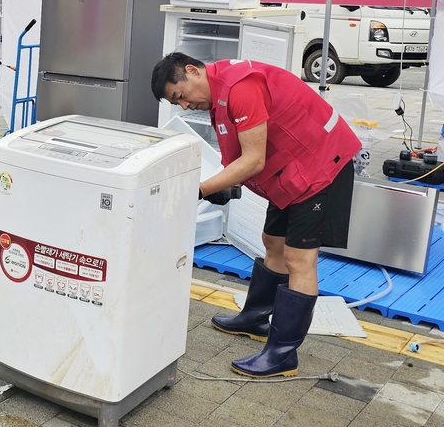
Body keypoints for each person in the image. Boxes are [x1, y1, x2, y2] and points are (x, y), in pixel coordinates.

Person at [151, 53, 360, 378]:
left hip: (320, 167)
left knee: (298, 259)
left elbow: (252, 160)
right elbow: (237, 156)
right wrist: (221, 183)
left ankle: (282, 355)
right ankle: (256, 317)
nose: (184, 106)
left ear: (192, 71)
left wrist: (200, 189)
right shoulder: (218, 94)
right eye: (176, 104)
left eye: (181, 96)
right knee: (272, 242)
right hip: (290, 172)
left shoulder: (240, 87)